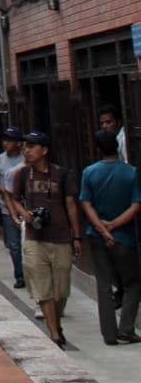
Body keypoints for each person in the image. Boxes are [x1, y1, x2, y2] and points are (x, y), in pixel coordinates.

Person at [7, 130, 82, 349]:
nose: (26, 151)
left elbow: (71, 206)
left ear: (45, 150)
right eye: (25, 147)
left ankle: (56, 322)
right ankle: (54, 332)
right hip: (34, 237)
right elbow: (14, 198)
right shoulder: (22, 175)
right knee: (42, 287)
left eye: (31, 147)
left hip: (60, 236)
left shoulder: (62, 174)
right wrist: (24, 214)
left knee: (61, 288)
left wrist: (76, 236)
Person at [79, 129, 141, 346]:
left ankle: (109, 333)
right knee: (133, 283)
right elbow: (136, 205)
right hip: (123, 236)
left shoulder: (89, 172)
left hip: (96, 235)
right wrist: (113, 226)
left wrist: (103, 229)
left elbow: (86, 204)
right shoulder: (131, 173)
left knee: (104, 284)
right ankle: (126, 328)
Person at [0, 126, 25, 289]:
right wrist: (3, 191)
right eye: (4, 140)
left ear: (18, 143)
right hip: (7, 207)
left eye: (9, 140)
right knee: (14, 245)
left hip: (26, 206)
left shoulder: (26, 158)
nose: (5, 143)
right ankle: (20, 276)